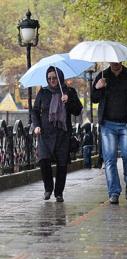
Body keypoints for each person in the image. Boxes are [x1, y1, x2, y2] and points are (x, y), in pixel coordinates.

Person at [92, 62, 127, 204]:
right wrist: (98, 87)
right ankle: (114, 192)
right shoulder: (102, 75)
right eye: (112, 61)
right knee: (110, 159)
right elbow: (94, 98)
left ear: (121, 61)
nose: (115, 63)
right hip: (107, 125)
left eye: (118, 61)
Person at [32, 66, 83, 202]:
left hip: (63, 134)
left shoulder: (69, 91)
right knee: (43, 161)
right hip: (45, 134)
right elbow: (35, 111)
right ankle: (48, 188)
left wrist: (69, 100)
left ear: (60, 77)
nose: (52, 80)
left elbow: (78, 110)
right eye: (49, 78)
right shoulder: (43, 92)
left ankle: (59, 192)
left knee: (62, 164)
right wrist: (36, 125)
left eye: (54, 78)